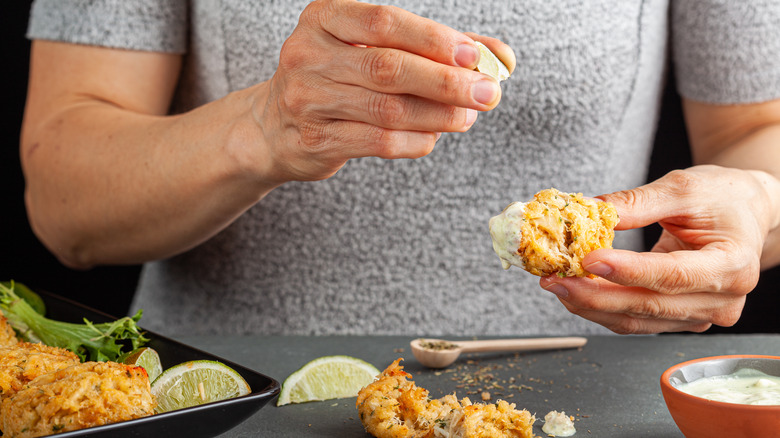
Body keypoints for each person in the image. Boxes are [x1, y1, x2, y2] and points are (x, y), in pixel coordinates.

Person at [20, 0, 780, 336]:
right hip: (243, 401)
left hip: (575, 398)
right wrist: (263, 126)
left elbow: (757, 128)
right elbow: (63, 201)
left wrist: (756, 202)